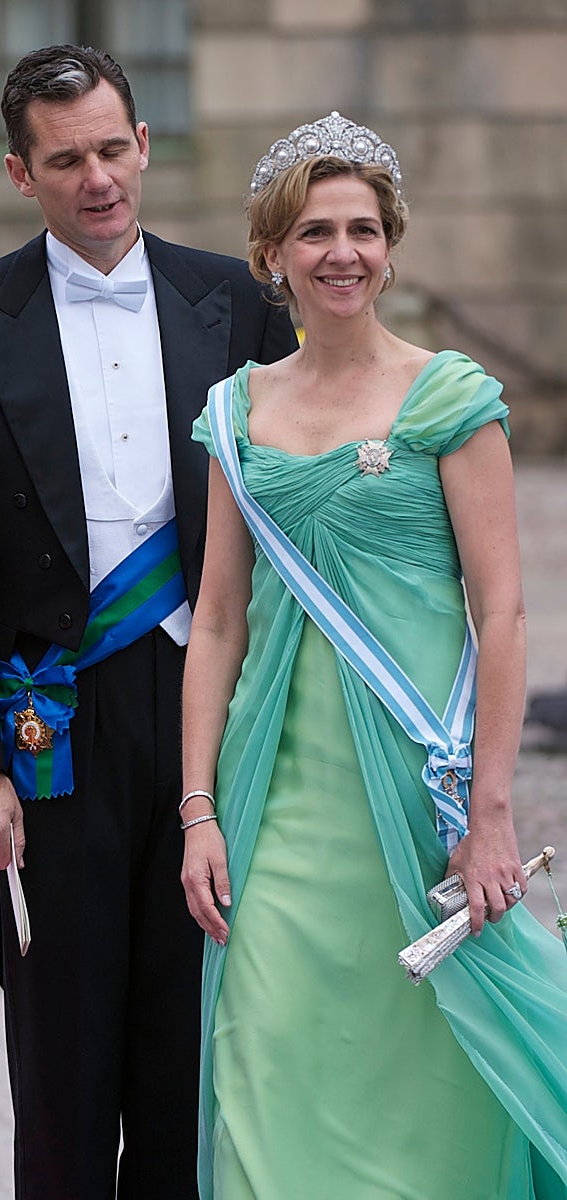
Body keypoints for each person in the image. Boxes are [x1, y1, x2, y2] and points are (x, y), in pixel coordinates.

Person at [0, 46, 296, 1200]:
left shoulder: (238, 304)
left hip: (208, 710)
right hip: (49, 729)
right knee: (63, 1066)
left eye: (114, 149)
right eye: (67, 160)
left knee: (190, 1054)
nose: (99, 179)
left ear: (146, 145)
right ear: (20, 174)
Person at [182, 113, 567, 1198]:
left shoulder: (448, 398)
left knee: (432, 1078)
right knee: (265, 1061)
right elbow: (218, 621)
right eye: (315, 231)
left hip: (415, 793)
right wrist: (198, 809)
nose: (341, 252)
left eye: (363, 229)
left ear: (391, 248)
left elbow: (503, 616)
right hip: (274, 804)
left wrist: (492, 814)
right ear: (273, 254)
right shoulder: (235, 411)